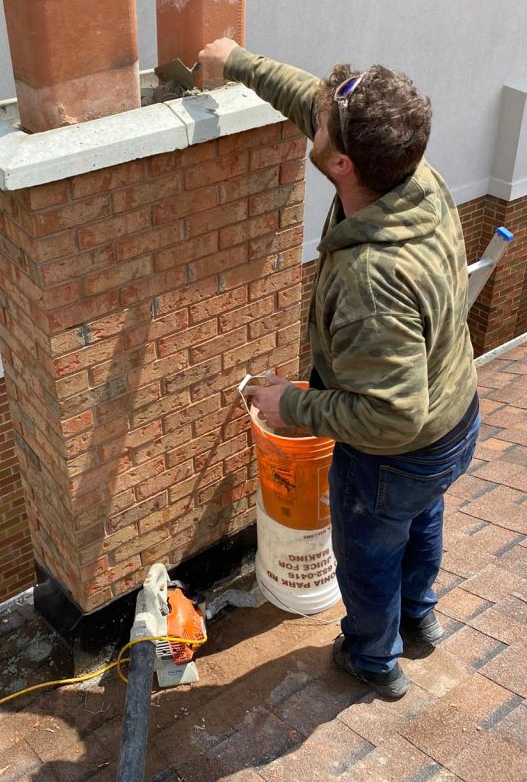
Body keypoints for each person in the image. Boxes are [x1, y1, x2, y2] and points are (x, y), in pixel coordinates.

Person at [198, 38, 480, 701]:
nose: (315, 118)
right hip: (453, 420)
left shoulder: (371, 281)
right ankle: (419, 619)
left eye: (323, 125)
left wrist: (287, 405)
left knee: (369, 553)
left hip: (398, 449)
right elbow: (315, 103)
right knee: (419, 520)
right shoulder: (409, 172)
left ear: (342, 162)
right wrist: (235, 61)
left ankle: (373, 659)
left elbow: (390, 414)